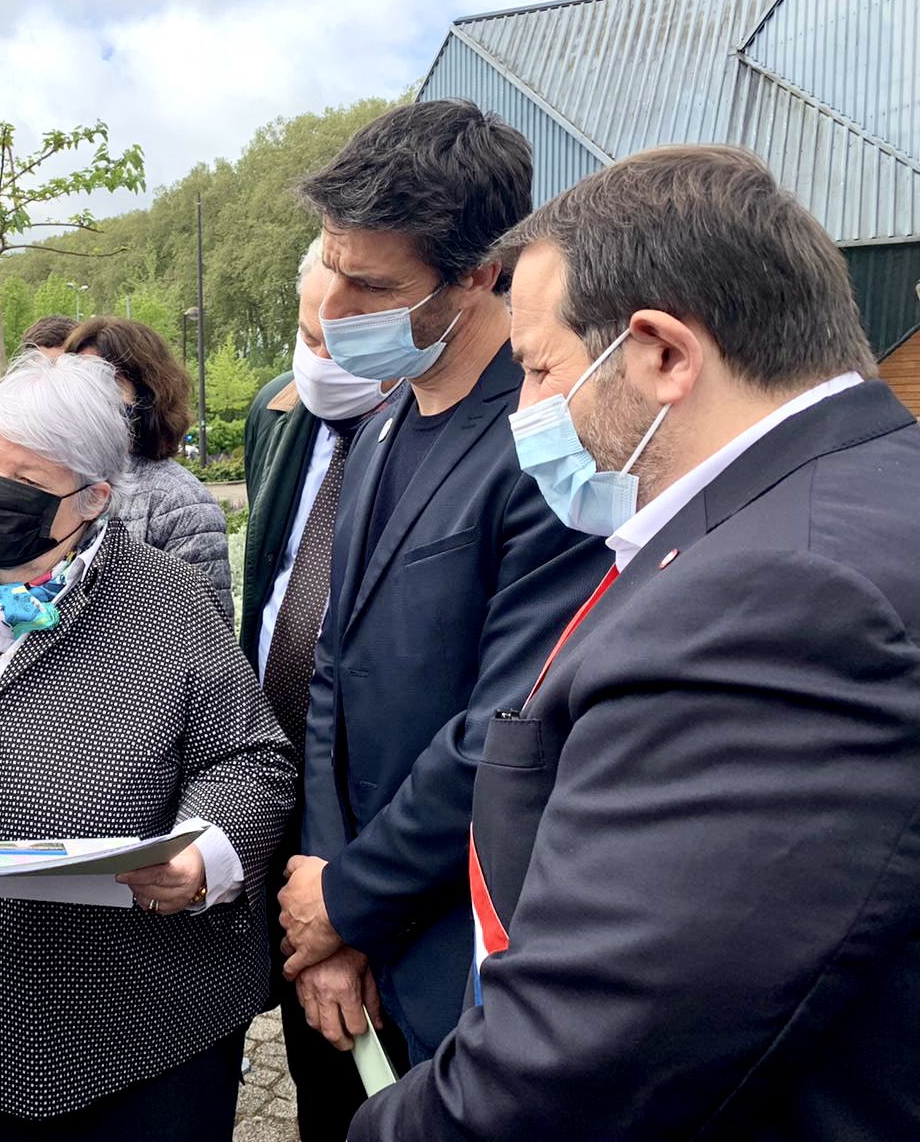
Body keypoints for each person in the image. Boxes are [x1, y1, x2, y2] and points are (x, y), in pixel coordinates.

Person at [350, 145, 920, 1142]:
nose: (523, 412)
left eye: (535, 368)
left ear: (660, 352)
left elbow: (583, 1063)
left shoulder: (783, 595)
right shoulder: (837, 496)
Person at [0, 350, 296, 1141]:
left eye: (25, 481)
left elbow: (250, 758)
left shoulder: (167, 600)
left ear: (93, 498)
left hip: (137, 1033)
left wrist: (203, 852)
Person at [277, 100, 605, 1069]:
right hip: (343, 926)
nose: (331, 312)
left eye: (371, 286)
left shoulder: (547, 450)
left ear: (479, 275)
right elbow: (333, 667)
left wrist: (351, 902)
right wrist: (322, 883)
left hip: (454, 953)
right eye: (329, 267)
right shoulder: (380, 425)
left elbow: (505, 726)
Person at [241, 236, 391, 1136]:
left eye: (343, 344)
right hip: (275, 775)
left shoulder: (442, 441)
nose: (321, 364)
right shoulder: (277, 411)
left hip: (377, 813)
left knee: (376, 1066)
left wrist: (355, 894)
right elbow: (268, 582)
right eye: (308, 339)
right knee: (312, 1052)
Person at [64, 316, 234, 622]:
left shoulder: (182, 504)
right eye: (79, 380)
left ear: (148, 393)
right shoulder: (56, 480)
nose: (89, 396)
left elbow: (204, 642)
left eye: (109, 383)